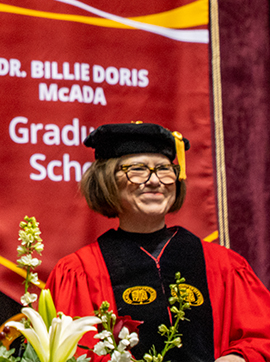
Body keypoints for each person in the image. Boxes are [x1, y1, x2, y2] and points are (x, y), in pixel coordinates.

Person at [48, 122, 270, 362]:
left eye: (164, 169)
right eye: (137, 169)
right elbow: (74, 353)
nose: (154, 181)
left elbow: (262, 336)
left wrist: (237, 358)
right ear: (107, 180)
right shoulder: (80, 271)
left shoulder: (222, 265)